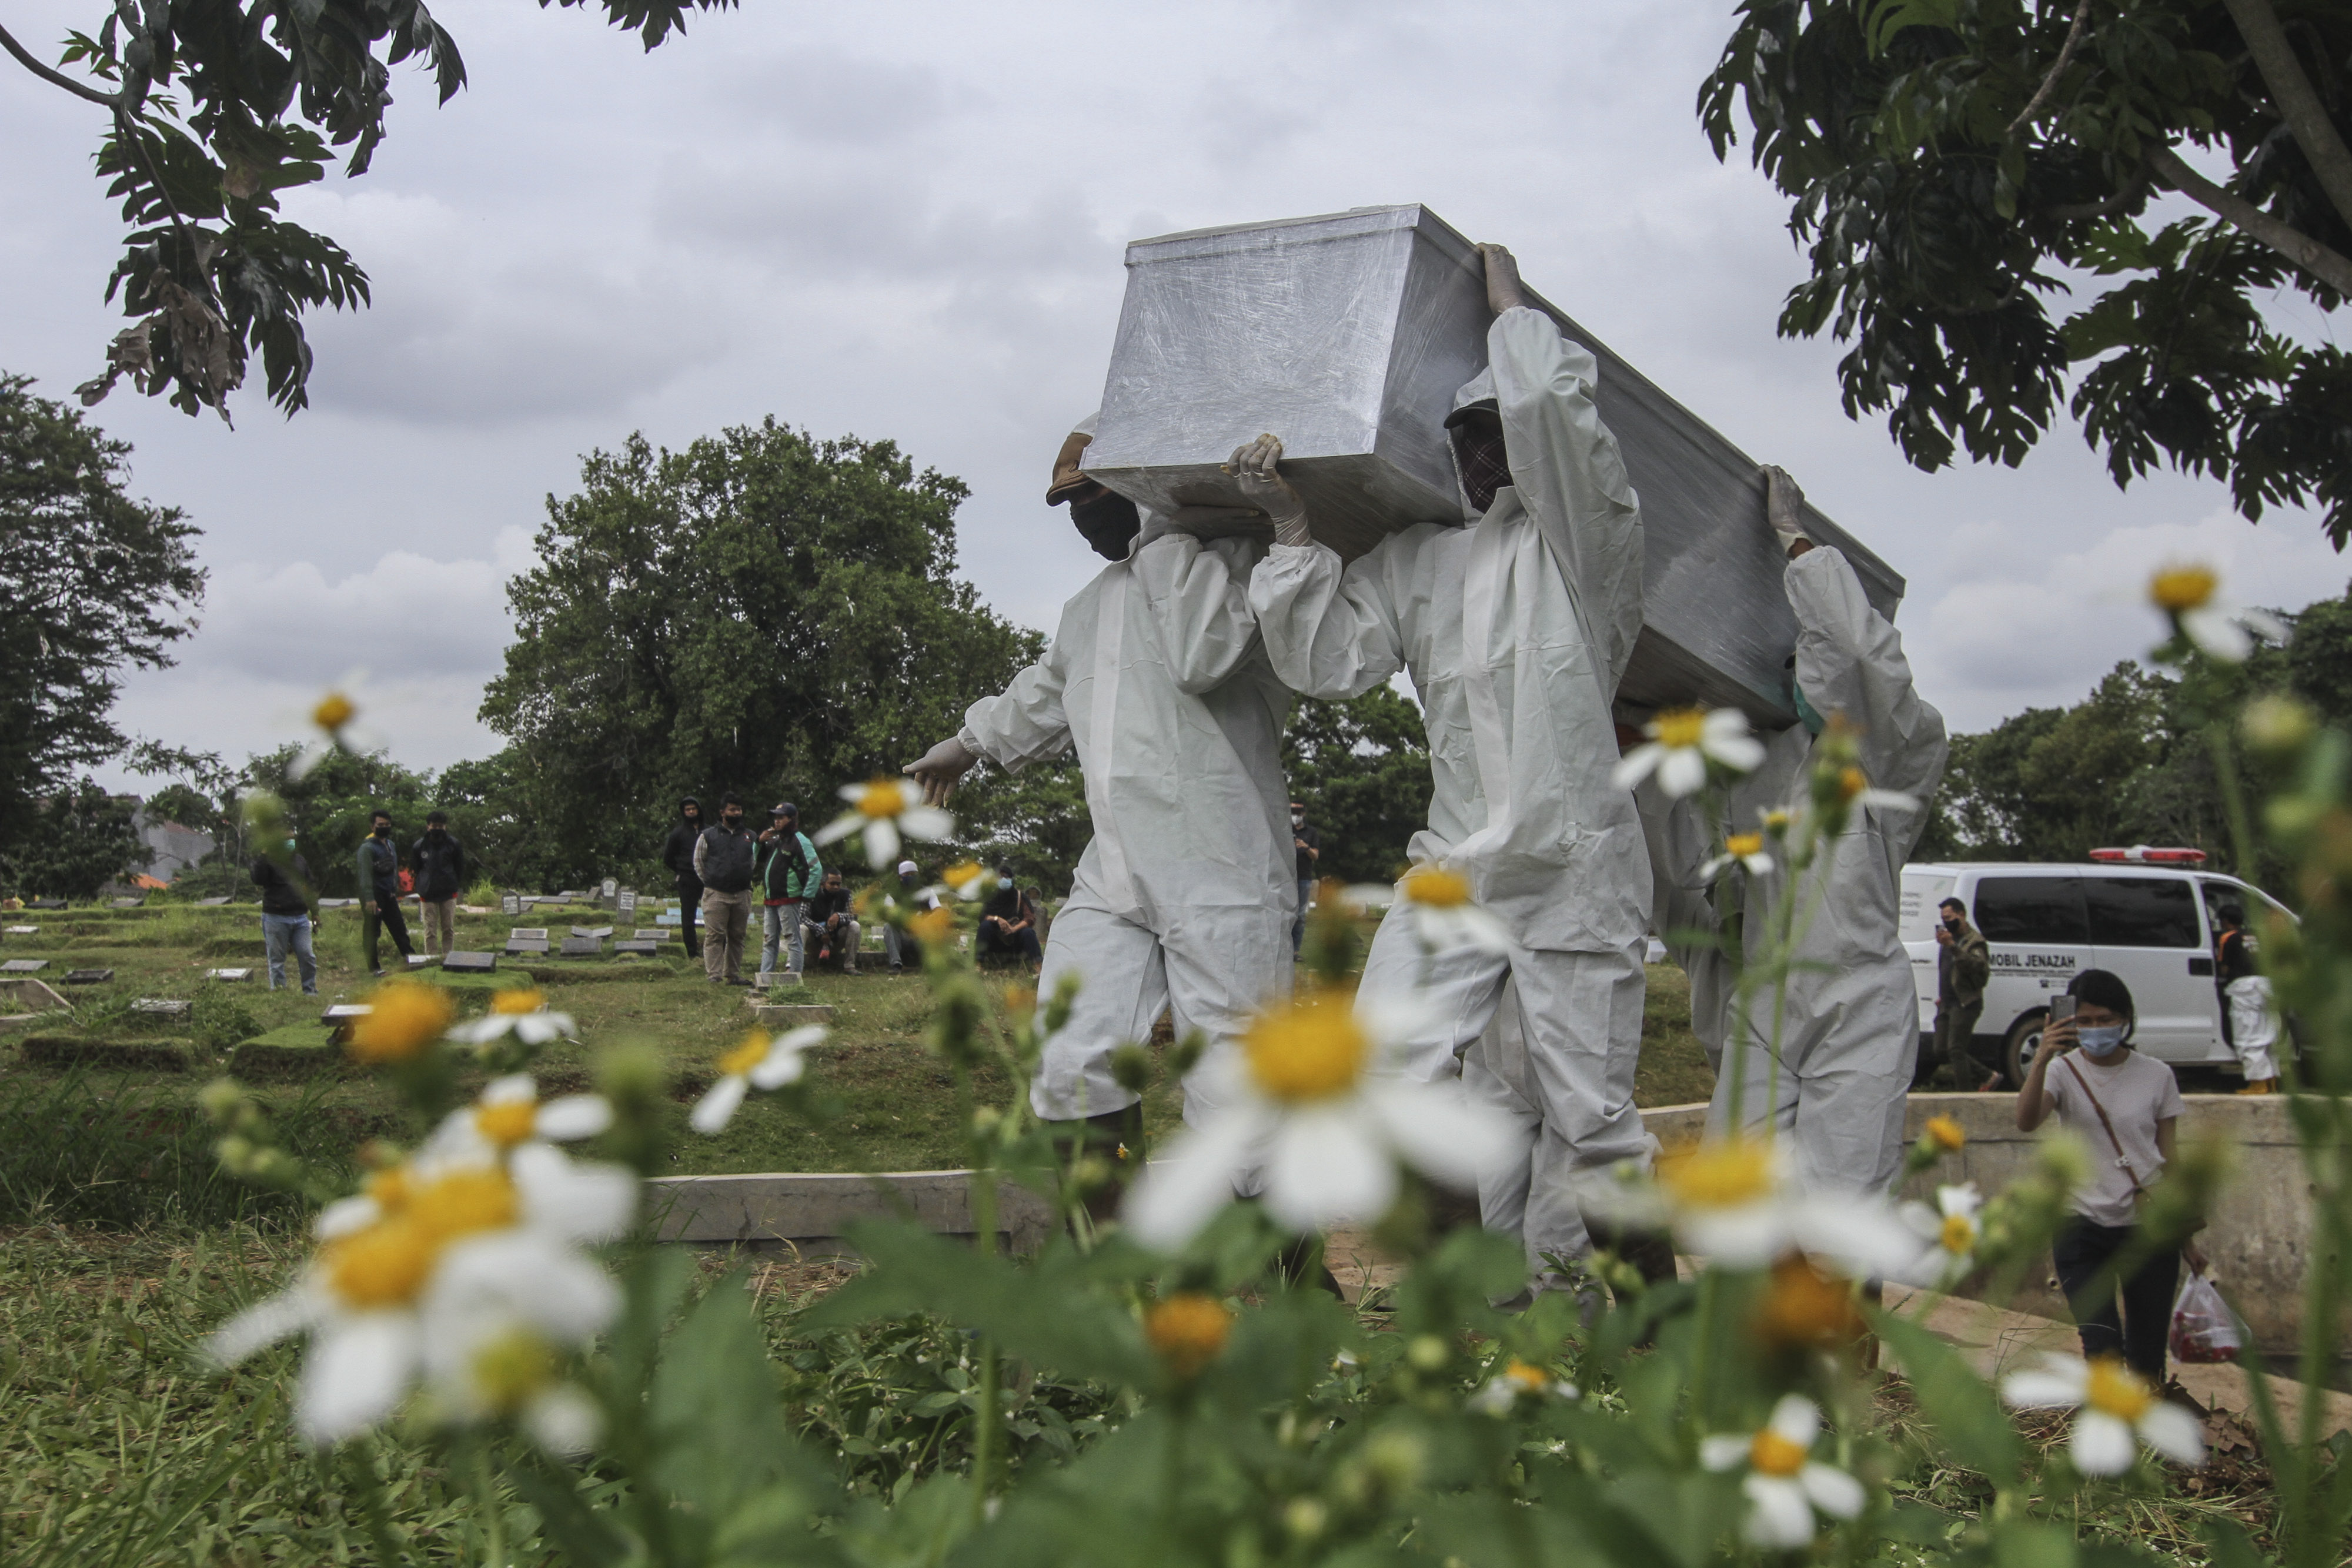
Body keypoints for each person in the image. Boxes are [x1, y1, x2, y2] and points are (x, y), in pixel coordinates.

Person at [1246, 243, 1657, 1283]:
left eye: (1497, 431)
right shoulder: (1421, 563)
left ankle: (1660, 1346)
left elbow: (1571, 438)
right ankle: (1470, 1312)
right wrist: (1292, 530)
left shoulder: (1584, 550)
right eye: (1462, 437)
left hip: (1574, 874)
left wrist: (1512, 317)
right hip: (1457, 871)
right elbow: (1333, 658)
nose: (1480, 456)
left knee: (1595, 1127)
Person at [905, 412, 1294, 1158]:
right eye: (1071, 507)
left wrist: (1170, 535)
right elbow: (1044, 690)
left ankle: (1292, 1274)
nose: (1086, 519)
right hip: (1114, 869)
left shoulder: (1235, 563)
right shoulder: (1089, 607)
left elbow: (1200, 654)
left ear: (1144, 489)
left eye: (1096, 496)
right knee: (1070, 1062)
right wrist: (964, 744)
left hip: (1223, 865)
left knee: (1241, 1092)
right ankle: (1110, 1264)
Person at [1637, 463, 1948, 1201]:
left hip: (1856, 1000)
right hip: (1766, 999)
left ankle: (1847, 1315)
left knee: (1844, 1201)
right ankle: (1757, 1316)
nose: (1800, 678)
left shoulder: (1893, 757)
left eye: (1811, 662)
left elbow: (1868, 657)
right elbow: (1684, 867)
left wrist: (1799, 546)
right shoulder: (1758, 770)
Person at [2016, 968, 2200, 1380]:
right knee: (2102, 1347)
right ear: (2069, 1022)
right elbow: (2026, 1120)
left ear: (2125, 1018)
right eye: (2085, 1020)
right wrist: (2042, 1057)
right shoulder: (2062, 1071)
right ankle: (2106, 1437)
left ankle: (2145, 1438)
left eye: (2105, 1019)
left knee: (2148, 1355)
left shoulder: (2157, 1075)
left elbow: (2169, 1158)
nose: (2096, 1029)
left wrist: (2186, 1236)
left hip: (2147, 1224)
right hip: (2080, 1224)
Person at [2214, 901, 2280, 1094]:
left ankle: (2258, 1084)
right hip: (2266, 986)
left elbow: (2224, 966)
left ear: (2225, 921)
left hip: (2245, 989)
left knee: (2248, 1037)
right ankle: (2271, 1082)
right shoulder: (2257, 935)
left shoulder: (2228, 937)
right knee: (2266, 1035)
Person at [693, 795, 758, 985]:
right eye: (732, 810)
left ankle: (733, 975)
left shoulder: (750, 836)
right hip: (716, 893)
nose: (737, 813)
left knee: (738, 936)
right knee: (715, 936)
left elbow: (752, 862)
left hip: (742, 893)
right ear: (723, 813)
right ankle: (714, 975)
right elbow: (699, 862)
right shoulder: (708, 835)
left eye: (739, 810)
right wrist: (713, 881)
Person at [756, 803, 822, 979]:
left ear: (791, 819)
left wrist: (808, 894)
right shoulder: (776, 841)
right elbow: (755, 859)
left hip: (789, 899)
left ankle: (794, 979)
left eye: (781, 818)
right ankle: (764, 979)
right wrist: (759, 842)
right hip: (771, 899)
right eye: (775, 818)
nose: (776, 821)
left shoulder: (801, 841)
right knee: (769, 941)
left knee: (793, 940)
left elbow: (816, 869)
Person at [1933, 895, 1991, 1087]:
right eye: (1944, 919)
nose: (1946, 923)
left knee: (1956, 1049)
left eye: (1949, 918)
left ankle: (1964, 1095)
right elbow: (1945, 969)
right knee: (1940, 1049)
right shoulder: (1947, 940)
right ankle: (1987, 1076)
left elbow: (1975, 967)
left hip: (1965, 1002)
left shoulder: (1975, 941)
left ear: (1962, 915)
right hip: (1947, 1002)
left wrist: (1953, 947)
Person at [252, 838, 317, 995]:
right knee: (277, 959)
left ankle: (310, 990)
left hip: (300, 916)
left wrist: (315, 912)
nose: (290, 842)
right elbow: (257, 879)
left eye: (292, 838)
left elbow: (310, 886)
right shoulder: (269, 860)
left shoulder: (300, 860)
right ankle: (280, 991)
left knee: (307, 955)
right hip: (276, 917)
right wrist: (263, 856)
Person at [356, 809, 415, 977]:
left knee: (399, 929)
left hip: (389, 894)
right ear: (372, 826)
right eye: (381, 825)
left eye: (387, 825)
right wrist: (369, 898)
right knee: (373, 932)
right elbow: (365, 874)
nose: (385, 827)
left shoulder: (390, 844)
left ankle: (412, 959)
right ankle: (373, 968)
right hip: (374, 895)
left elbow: (394, 869)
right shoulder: (367, 848)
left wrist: (394, 890)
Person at [409, 810, 467, 958]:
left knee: (448, 929)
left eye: (440, 826)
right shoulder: (419, 846)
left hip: (448, 893)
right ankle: (431, 959)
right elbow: (416, 869)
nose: (437, 829)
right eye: (435, 826)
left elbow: (459, 867)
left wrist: (453, 883)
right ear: (428, 827)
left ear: (445, 827)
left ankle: (449, 958)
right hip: (428, 893)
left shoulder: (453, 844)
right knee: (430, 930)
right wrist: (423, 885)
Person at [662, 796, 706, 960]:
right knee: (688, 918)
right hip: (687, 880)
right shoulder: (678, 833)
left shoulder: (708, 831)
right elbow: (668, 858)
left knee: (714, 916)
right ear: (683, 812)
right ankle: (692, 953)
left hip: (707, 879)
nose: (691, 812)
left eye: (694, 809)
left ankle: (713, 951)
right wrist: (681, 870)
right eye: (688, 810)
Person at [977, 868, 1043, 969]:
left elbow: (1030, 918)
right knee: (985, 926)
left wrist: (1014, 929)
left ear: (1011, 879)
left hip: (1015, 940)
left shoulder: (1020, 897)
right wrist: (998, 919)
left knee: (1028, 933)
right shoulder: (991, 896)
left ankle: (1038, 968)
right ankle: (978, 965)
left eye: (1006, 877)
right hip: (996, 939)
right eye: (1001, 877)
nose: (1004, 879)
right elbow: (983, 916)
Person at [803, 868, 861, 973]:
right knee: (801, 928)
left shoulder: (846, 894)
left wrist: (839, 916)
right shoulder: (811, 894)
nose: (836, 887)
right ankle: (793, 967)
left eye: (838, 884)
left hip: (835, 940)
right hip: (814, 941)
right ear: (822, 884)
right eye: (832, 884)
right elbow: (801, 917)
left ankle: (849, 966)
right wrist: (821, 931)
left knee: (855, 926)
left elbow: (854, 916)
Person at [884, 860, 936, 972]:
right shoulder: (892, 895)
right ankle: (896, 965)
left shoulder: (928, 892)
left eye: (913, 874)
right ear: (900, 877)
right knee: (889, 926)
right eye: (907, 875)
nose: (911, 877)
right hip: (903, 937)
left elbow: (938, 910)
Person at [1289, 803, 1321, 958]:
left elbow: (1316, 856)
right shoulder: (1286, 830)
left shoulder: (1311, 832)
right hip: (1287, 877)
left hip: (1304, 878)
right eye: (1291, 811)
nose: (1294, 815)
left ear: (1303, 814)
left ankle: (1296, 950)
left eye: (1296, 812)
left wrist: (1305, 847)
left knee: (1300, 915)